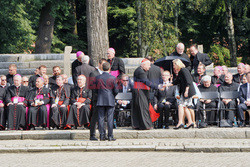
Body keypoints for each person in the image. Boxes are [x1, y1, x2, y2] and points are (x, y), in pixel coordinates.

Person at [132, 59, 164, 130]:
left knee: (142, 108)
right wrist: (157, 86)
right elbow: (146, 82)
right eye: (149, 65)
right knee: (143, 108)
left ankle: (139, 125)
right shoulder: (140, 72)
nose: (150, 67)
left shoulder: (141, 70)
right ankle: (146, 125)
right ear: (143, 65)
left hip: (141, 90)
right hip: (139, 91)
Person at [96, 62, 118, 141]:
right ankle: (110, 136)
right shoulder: (113, 78)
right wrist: (112, 96)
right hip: (110, 99)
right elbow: (116, 90)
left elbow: (95, 89)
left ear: (102, 68)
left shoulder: (98, 77)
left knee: (101, 118)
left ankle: (102, 136)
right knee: (110, 118)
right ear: (109, 69)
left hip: (100, 99)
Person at [172, 59, 196, 129]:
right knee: (185, 107)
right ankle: (190, 122)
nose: (173, 67)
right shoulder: (180, 72)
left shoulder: (184, 70)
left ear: (177, 64)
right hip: (185, 91)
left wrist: (186, 90)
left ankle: (180, 123)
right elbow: (176, 82)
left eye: (174, 65)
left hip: (187, 91)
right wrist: (167, 84)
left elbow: (188, 81)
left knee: (181, 106)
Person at [89, 58, 107, 141]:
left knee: (103, 117)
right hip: (97, 98)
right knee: (95, 117)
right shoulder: (94, 73)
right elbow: (92, 87)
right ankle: (92, 134)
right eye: (103, 64)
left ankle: (103, 134)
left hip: (104, 99)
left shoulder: (105, 73)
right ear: (99, 64)